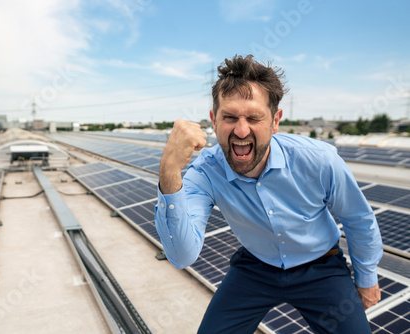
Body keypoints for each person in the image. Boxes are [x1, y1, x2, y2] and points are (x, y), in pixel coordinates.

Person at [154, 54, 383, 333]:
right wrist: (169, 171)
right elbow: (182, 256)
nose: (240, 130)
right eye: (229, 117)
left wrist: (367, 278)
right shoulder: (205, 172)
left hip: (321, 268)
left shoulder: (319, 160)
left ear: (275, 121)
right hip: (255, 267)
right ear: (213, 120)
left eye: (254, 117)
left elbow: (358, 217)